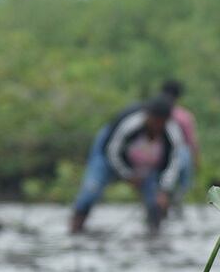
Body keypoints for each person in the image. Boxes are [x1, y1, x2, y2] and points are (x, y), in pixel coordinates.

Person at [69, 95, 189, 235]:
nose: (157, 126)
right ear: (148, 116)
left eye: (161, 123)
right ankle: (75, 231)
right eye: (155, 121)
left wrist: (164, 190)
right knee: (90, 193)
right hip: (110, 159)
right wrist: (128, 175)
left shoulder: (171, 134)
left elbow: (172, 164)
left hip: (147, 168)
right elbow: (112, 151)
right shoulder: (131, 125)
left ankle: (154, 237)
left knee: (155, 203)